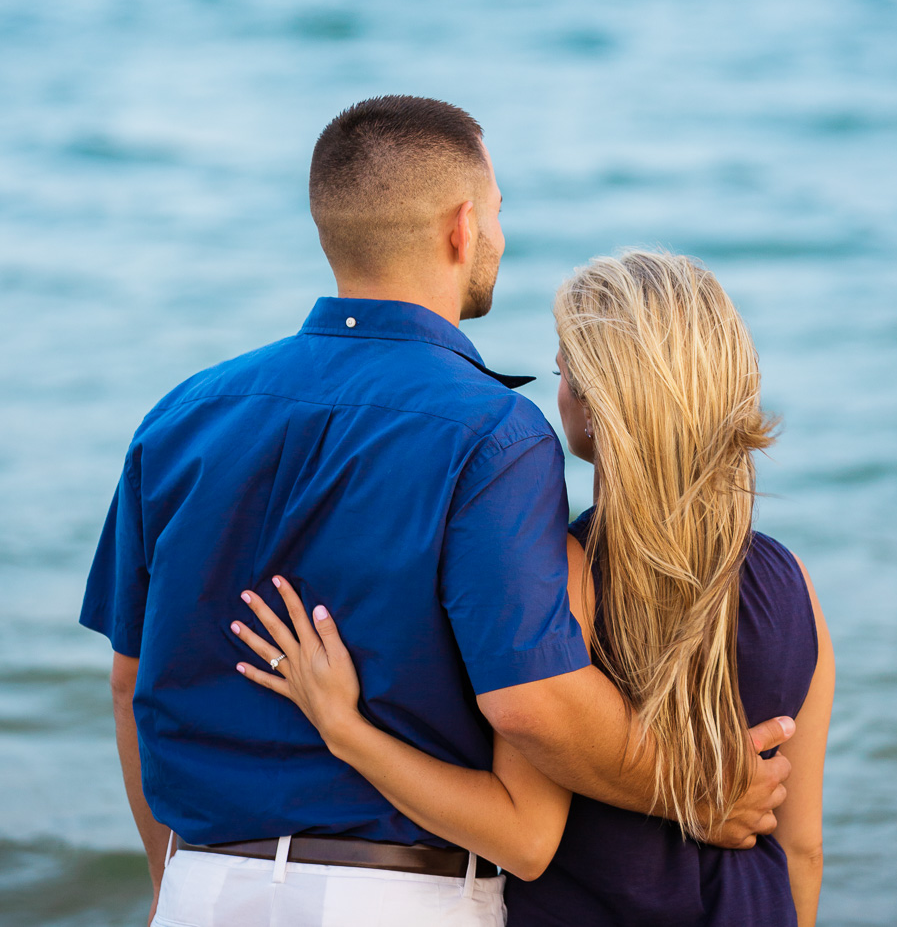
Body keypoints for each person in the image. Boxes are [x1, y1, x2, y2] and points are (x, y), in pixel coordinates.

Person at [80, 97, 792, 927]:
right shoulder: (495, 434)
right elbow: (533, 703)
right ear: (463, 227)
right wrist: (703, 789)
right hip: (401, 896)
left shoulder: (180, 416)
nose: (498, 234)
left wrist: (173, 884)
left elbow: (131, 685)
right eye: (496, 212)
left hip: (203, 889)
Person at [232, 249, 833, 926]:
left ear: (594, 404)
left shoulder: (560, 574)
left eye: (562, 372)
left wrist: (345, 729)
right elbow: (801, 846)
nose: (559, 390)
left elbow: (521, 838)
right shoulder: (794, 585)